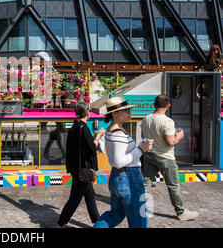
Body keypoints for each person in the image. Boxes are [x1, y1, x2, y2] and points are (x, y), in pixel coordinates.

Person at [93, 96, 153, 228]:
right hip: (129, 177)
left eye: (129, 110)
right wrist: (140, 149)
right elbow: (120, 161)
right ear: (114, 113)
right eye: (125, 110)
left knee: (116, 214)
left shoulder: (111, 130)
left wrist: (139, 148)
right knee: (139, 218)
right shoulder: (118, 134)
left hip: (118, 176)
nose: (129, 113)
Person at [140, 94, 199, 222]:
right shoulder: (168, 121)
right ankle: (181, 212)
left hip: (150, 155)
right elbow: (170, 142)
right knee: (173, 186)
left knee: (145, 183)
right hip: (165, 157)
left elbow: (143, 136)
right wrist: (179, 136)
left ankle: (135, 206)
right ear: (168, 106)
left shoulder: (146, 118)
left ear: (154, 105)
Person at [57, 102, 105, 228]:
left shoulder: (73, 128)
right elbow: (92, 148)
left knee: (90, 196)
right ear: (87, 113)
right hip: (83, 170)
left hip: (76, 168)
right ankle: (61, 223)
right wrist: (98, 137)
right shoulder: (83, 128)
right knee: (75, 198)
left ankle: (97, 222)